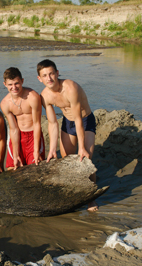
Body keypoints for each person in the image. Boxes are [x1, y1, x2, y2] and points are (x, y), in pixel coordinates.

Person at [36, 59, 98, 211]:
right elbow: (52, 123)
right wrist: (51, 149)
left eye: (51, 74)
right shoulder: (44, 96)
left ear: (57, 73)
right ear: (40, 78)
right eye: (44, 75)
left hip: (84, 120)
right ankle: (74, 195)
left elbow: (78, 119)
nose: (49, 78)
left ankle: (92, 198)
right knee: (67, 160)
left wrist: (81, 147)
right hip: (67, 123)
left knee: (86, 160)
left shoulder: (70, 88)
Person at [0, 67, 45, 170]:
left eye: (17, 83)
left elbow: (37, 124)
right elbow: (14, 129)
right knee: (13, 169)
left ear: (22, 81)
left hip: (33, 135)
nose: (14, 87)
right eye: (10, 84)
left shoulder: (33, 97)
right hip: (18, 136)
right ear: (5, 84)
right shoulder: (5, 103)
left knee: (34, 168)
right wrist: (15, 155)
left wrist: (36, 151)